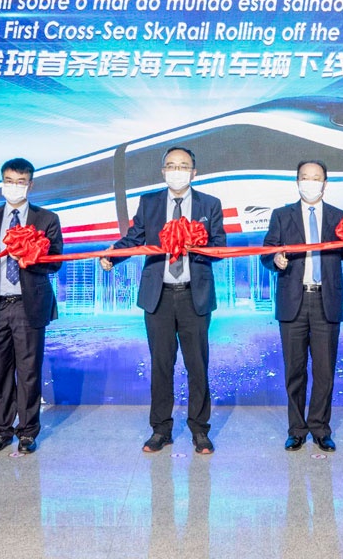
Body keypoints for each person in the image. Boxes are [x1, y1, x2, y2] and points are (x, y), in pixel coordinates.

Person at [100, 146, 226, 455]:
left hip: (195, 296)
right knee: (161, 366)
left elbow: (220, 247)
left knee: (197, 366)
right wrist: (112, 256)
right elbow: (134, 239)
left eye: (183, 166)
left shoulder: (210, 204)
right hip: (158, 297)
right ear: (163, 171)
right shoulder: (150, 202)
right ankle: (160, 430)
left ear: (194, 172)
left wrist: (196, 244)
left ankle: (200, 430)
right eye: (171, 165)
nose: (177, 171)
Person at [261, 160, 343, 452]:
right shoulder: (282, 216)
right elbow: (266, 252)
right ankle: (296, 429)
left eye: (316, 178)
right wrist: (275, 259)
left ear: (325, 183)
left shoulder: (340, 217)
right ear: (297, 182)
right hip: (292, 301)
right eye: (305, 177)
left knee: (324, 371)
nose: (310, 182)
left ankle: (320, 428)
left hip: (325, 301)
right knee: (294, 370)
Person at [0, 158, 63, 454]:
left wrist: (31, 258)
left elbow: (55, 261)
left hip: (28, 304)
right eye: (9, 181)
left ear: (30, 185)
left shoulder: (46, 219)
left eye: (20, 182)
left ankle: (27, 432)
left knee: (29, 371)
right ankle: (1, 431)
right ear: (2, 183)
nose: (14, 187)